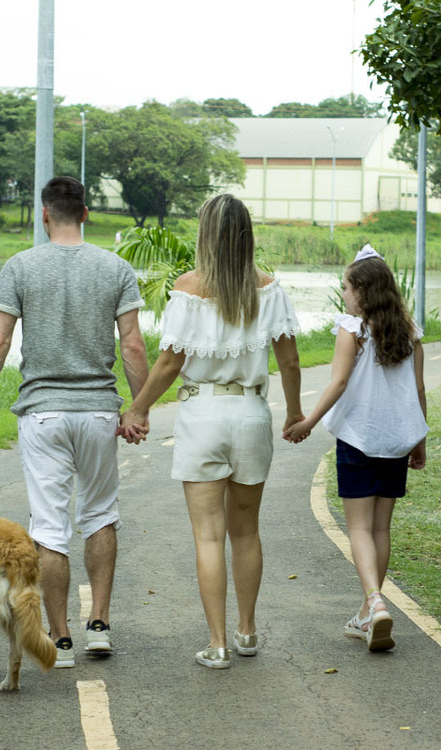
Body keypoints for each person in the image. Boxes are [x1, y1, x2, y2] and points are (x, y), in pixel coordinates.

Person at [0, 176, 149, 669]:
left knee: (49, 526)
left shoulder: (20, 267)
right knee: (100, 514)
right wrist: (139, 407)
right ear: (85, 213)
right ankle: (101, 627)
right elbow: (132, 345)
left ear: (44, 214)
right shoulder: (116, 268)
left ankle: (61, 638)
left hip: (42, 413)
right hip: (97, 411)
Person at [119, 194, 304, 669]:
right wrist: (294, 413)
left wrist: (138, 408)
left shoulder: (189, 288)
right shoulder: (269, 289)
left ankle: (217, 643)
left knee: (208, 536)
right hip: (251, 413)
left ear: (205, 233)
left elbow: (169, 360)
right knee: (246, 532)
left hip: (201, 415)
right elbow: (289, 360)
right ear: (247, 234)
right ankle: (247, 632)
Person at [283, 245, 428, 652]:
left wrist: (307, 423)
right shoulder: (410, 333)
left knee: (360, 528)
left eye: (346, 287)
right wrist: (420, 443)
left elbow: (338, 383)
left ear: (363, 291)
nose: (344, 294)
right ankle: (368, 612)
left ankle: (374, 601)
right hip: (397, 442)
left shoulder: (353, 329)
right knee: (381, 528)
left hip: (359, 440)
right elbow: (417, 391)